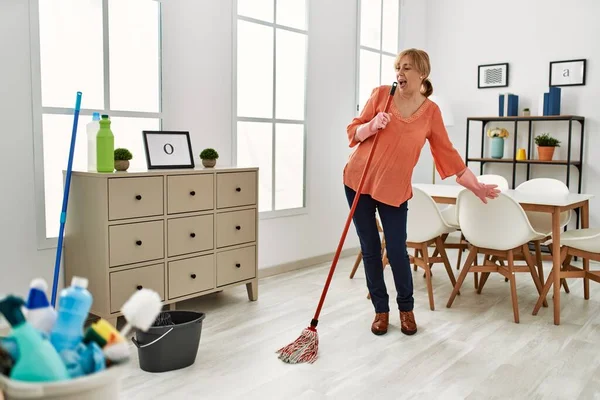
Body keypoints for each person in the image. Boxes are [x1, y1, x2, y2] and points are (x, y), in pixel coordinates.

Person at [343, 48, 500, 336]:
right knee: (370, 251)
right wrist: (371, 125)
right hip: (358, 182)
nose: (399, 74)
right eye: (398, 68)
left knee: (398, 251)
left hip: (394, 190)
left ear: (422, 74)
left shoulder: (430, 112)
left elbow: (447, 154)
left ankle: (406, 310)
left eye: (407, 68)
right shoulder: (381, 95)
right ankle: (381, 311)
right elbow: (353, 132)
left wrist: (476, 185)